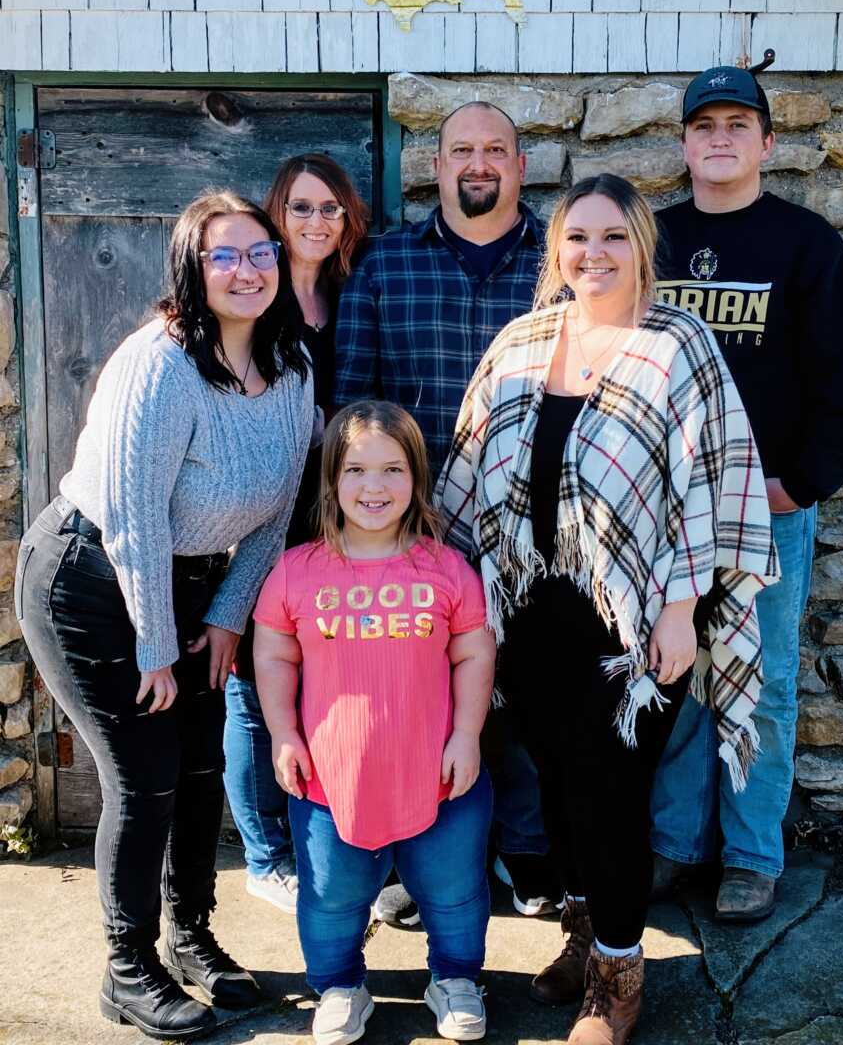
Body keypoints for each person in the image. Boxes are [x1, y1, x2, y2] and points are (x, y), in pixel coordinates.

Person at [437, 175, 778, 1044]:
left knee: (614, 793)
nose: (595, 255)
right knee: (554, 782)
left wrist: (677, 610)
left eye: (613, 238)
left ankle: (618, 983)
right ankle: (584, 942)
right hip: (534, 611)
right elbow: (471, 469)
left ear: (641, 249)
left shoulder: (678, 346)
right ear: (555, 252)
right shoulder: (520, 342)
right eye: (578, 239)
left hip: (639, 620)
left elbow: (714, 483)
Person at [14, 191, 316, 1041]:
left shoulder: (292, 367)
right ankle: (126, 968)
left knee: (197, 769)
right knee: (143, 774)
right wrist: (154, 647)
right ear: (191, 267)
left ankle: (190, 938)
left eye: (260, 252)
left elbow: (278, 510)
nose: (246, 270)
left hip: (189, 588)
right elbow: (135, 517)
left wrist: (226, 620)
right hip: (89, 580)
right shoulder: (160, 363)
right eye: (224, 255)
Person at [649, 66, 843, 921]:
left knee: (765, 684)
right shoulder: (653, 239)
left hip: (768, 510)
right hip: (666, 513)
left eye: (737, 124)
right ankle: (673, 841)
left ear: (767, 143)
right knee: (674, 674)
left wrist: (801, 482)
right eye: (704, 124)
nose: (719, 137)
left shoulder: (807, 245)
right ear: (682, 144)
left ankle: (752, 854)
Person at [334, 100, 557, 920]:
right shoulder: (386, 265)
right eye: (462, 149)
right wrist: (371, 514)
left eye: (496, 149)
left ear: (520, 166)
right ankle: (413, 858)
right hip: (412, 527)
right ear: (437, 165)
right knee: (414, 699)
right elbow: (352, 401)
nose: (478, 164)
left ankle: (528, 851)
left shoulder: (557, 261)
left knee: (529, 689)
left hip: (534, 524)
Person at [253, 401, 496, 1045]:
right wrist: (283, 733)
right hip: (332, 782)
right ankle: (338, 987)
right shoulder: (296, 571)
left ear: (416, 476)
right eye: (356, 470)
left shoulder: (446, 569)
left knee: (455, 895)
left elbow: (474, 652)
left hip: (440, 776)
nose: (374, 487)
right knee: (331, 900)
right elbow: (274, 654)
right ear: (332, 477)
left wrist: (467, 734)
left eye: (392, 469)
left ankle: (456, 980)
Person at [224, 155, 369, 914]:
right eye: (303, 208)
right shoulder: (257, 299)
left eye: (332, 210)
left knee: (333, 673)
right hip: (266, 515)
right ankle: (264, 854)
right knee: (255, 683)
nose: (317, 222)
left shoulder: (352, 295)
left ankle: (343, 832)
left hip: (339, 515)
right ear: (276, 215)